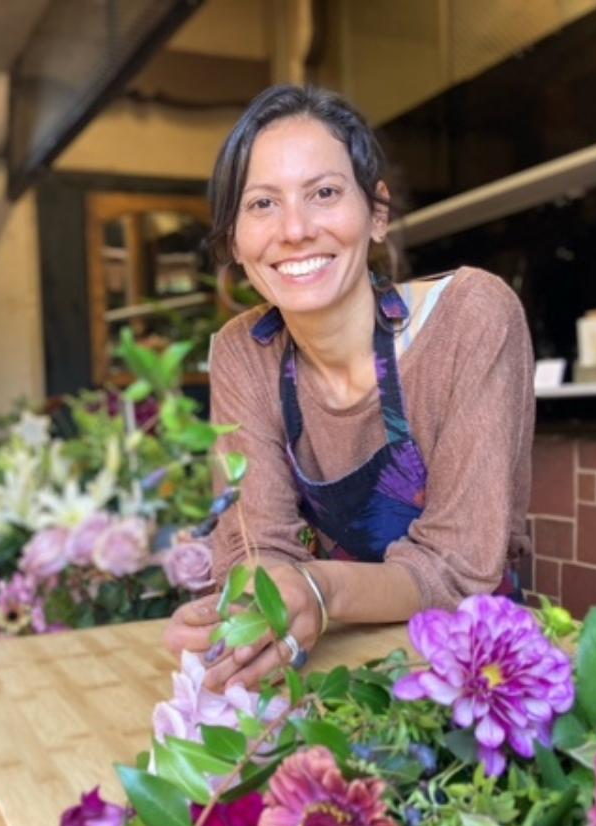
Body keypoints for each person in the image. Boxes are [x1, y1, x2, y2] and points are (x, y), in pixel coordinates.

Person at [163, 85, 534, 690]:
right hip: (327, 667)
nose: (295, 229)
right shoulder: (243, 352)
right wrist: (249, 608)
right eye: (262, 204)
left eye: (325, 193)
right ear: (234, 239)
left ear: (377, 213)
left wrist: (315, 587)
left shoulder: (472, 316)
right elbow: (256, 543)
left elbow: (459, 570)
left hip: (478, 678)